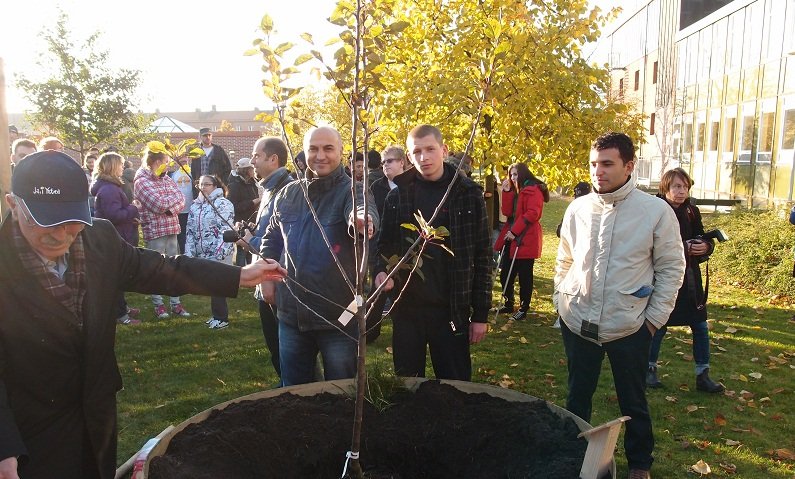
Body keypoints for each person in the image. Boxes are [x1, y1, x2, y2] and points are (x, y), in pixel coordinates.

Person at [0, 150, 286, 479]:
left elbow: (160, 270)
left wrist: (237, 275)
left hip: (96, 414)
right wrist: (4, 446)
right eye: (48, 222)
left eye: (72, 221)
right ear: (13, 204)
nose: (62, 234)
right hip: (29, 429)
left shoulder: (100, 238)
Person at [554, 132, 685, 479]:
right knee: (576, 397)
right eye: (594, 163)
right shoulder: (578, 208)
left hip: (629, 326)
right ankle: (573, 456)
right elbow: (564, 258)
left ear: (629, 166)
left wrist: (653, 320)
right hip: (578, 321)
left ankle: (640, 464)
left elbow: (672, 268)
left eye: (607, 163)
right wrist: (560, 299)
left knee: (634, 401)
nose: (599, 171)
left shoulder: (655, 211)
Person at [260, 126, 378, 386]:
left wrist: (361, 220)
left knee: (341, 393)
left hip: (339, 317)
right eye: (313, 148)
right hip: (291, 314)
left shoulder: (353, 191)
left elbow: (361, 208)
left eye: (328, 148)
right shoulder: (289, 193)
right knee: (294, 392)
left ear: (341, 152)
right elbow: (272, 236)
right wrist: (265, 275)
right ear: (304, 151)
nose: (320, 156)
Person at [375, 124, 492, 381]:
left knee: (454, 386)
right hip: (407, 309)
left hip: (451, 310)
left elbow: (483, 255)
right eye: (416, 151)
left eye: (430, 149)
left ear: (444, 150)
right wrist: (381, 271)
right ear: (408, 156)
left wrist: (480, 313)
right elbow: (383, 246)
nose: (424, 157)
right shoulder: (398, 198)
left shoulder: (467, 194)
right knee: (407, 385)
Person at [646, 168, 724, 393]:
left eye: (685, 186)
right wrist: (683, 247)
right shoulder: (655, 210)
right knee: (658, 325)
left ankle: (703, 374)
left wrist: (705, 246)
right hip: (662, 277)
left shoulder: (692, 210)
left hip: (690, 280)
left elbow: (700, 237)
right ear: (666, 188)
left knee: (700, 326)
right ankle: (648, 369)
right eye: (677, 187)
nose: (682, 191)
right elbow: (649, 245)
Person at [241, 137, 294, 378]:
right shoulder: (270, 188)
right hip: (268, 277)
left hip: (277, 280)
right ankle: (286, 386)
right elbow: (269, 231)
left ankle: (295, 389)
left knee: (288, 347)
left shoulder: (286, 191)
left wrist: (249, 241)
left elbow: (285, 242)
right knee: (277, 346)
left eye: (256, 156)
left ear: (273, 159)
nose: (252, 161)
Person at [134, 142, 192, 319]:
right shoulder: (141, 181)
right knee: (156, 268)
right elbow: (158, 205)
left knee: (174, 267)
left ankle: (176, 304)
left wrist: (169, 208)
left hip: (172, 228)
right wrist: (168, 205)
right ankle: (158, 305)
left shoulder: (166, 178)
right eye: (166, 161)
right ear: (156, 162)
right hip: (155, 231)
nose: (168, 164)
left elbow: (181, 198)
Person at [90, 152, 141, 325]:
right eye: (120, 164)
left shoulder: (110, 186)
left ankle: (122, 308)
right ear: (112, 166)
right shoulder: (109, 189)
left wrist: (130, 218)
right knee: (116, 277)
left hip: (118, 234)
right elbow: (114, 215)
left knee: (119, 276)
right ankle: (120, 315)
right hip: (114, 238)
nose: (122, 167)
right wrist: (133, 208)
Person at [493, 162, 549, 321]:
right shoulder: (516, 190)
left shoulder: (533, 190)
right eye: (511, 175)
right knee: (505, 274)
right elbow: (507, 212)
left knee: (525, 276)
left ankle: (524, 307)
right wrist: (507, 191)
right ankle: (508, 302)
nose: (512, 177)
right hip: (512, 235)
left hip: (526, 237)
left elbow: (532, 214)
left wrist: (514, 231)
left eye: (515, 174)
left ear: (523, 174)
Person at [185, 175, 236, 330]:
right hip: (203, 253)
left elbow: (226, 230)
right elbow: (190, 230)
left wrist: (220, 252)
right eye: (200, 184)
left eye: (207, 184)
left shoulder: (223, 204)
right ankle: (216, 316)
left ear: (215, 185)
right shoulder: (196, 206)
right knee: (211, 287)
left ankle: (222, 318)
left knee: (218, 285)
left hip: (218, 252)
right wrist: (189, 252)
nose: (203, 187)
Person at [227, 157, 260, 266]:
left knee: (252, 251)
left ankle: (252, 274)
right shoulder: (234, 185)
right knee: (241, 252)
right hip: (240, 223)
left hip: (252, 222)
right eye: (251, 168)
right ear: (246, 170)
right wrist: (253, 202)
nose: (254, 170)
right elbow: (233, 206)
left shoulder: (253, 184)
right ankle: (240, 275)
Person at [190, 127, 231, 195]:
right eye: (205, 135)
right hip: (201, 187)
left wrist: (222, 182)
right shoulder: (196, 151)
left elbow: (228, 168)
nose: (208, 137)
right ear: (200, 137)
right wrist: (196, 184)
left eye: (209, 135)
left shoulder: (218, 150)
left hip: (216, 186)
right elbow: (193, 171)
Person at [169, 154, 193, 254]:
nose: (183, 160)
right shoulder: (173, 175)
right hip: (180, 212)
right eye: (181, 159)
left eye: (185, 158)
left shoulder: (193, 173)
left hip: (192, 210)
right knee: (181, 237)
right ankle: (183, 256)